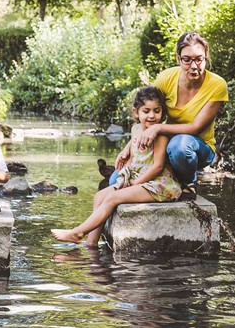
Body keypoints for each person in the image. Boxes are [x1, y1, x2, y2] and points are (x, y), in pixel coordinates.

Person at [53, 86, 182, 246]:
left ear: (162, 112)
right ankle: (91, 243)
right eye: (146, 111)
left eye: (157, 111)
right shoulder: (136, 129)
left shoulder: (160, 135)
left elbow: (157, 166)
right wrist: (126, 172)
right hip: (138, 179)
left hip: (157, 184)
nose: (151, 116)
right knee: (100, 196)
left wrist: (135, 183)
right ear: (136, 112)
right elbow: (135, 156)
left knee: (113, 198)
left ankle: (79, 232)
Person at [115, 32, 228, 200]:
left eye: (199, 59)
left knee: (179, 146)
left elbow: (195, 128)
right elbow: (148, 111)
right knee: (114, 182)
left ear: (206, 57)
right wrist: (129, 147)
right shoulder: (166, 78)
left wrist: (159, 127)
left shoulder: (217, 85)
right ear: (178, 59)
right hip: (164, 144)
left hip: (197, 148)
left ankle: (188, 183)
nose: (194, 65)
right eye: (187, 59)